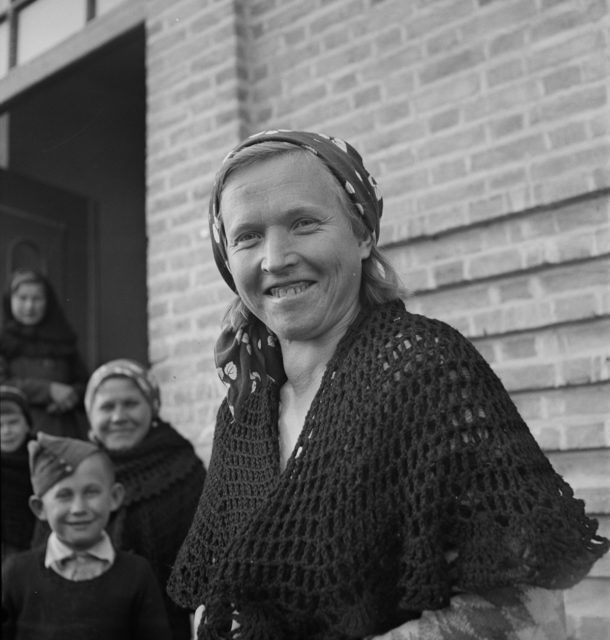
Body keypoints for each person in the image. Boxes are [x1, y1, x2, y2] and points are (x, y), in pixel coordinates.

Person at [167, 130, 609, 639]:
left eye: (304, 223)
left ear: (362, 236)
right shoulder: (243, 412)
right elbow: (217, 597)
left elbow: (529, 610)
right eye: (247, 236)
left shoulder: (427, 374)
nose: (275, 257)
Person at [2, 432, 172, 639]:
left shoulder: (137, 573)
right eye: (64, 496)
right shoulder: (16, 574)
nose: (78, 508)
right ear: (40, 508)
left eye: (91, 492)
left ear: (114, 497)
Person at [84, 359, 207, 640]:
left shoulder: (184, 469)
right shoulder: (76, 471)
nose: (118, 417)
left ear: (152, 408)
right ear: (90, 415)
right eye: (106, 407)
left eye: (130, 404)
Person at [0, 269, 89, 439]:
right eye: (22, 298)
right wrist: (48, 390)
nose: (29, 306)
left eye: (36, 299)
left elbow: (85, 384)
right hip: (14, 433)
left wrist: (71, 395)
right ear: (9, 300)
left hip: (62, 430)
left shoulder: (62, 339)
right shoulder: (3, 341)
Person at [1, 385, 35, 563]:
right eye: (0, 425)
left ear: (27, 424)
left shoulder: (44, 459)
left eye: (13, 422)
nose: (6, 431)